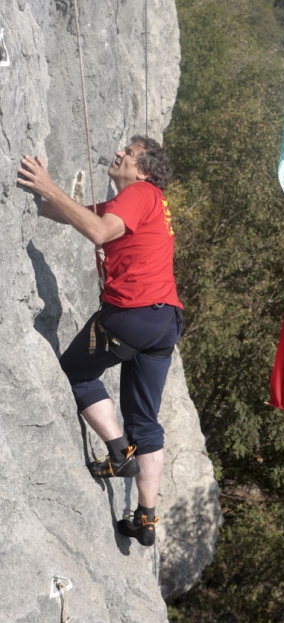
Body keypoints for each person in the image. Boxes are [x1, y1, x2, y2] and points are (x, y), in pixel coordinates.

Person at [18, 135, 183, 547]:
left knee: (76, 373)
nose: (119, 153)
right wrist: (43, 199)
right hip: (164, 322)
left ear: (144, 169)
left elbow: (97, 231)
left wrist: (46, 184)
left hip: (131, 316)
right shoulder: (149, 202)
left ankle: (117, 452)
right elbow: (71, 214)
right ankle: (145, 517)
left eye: (128, 153)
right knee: (145, 421)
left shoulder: (140, 192)